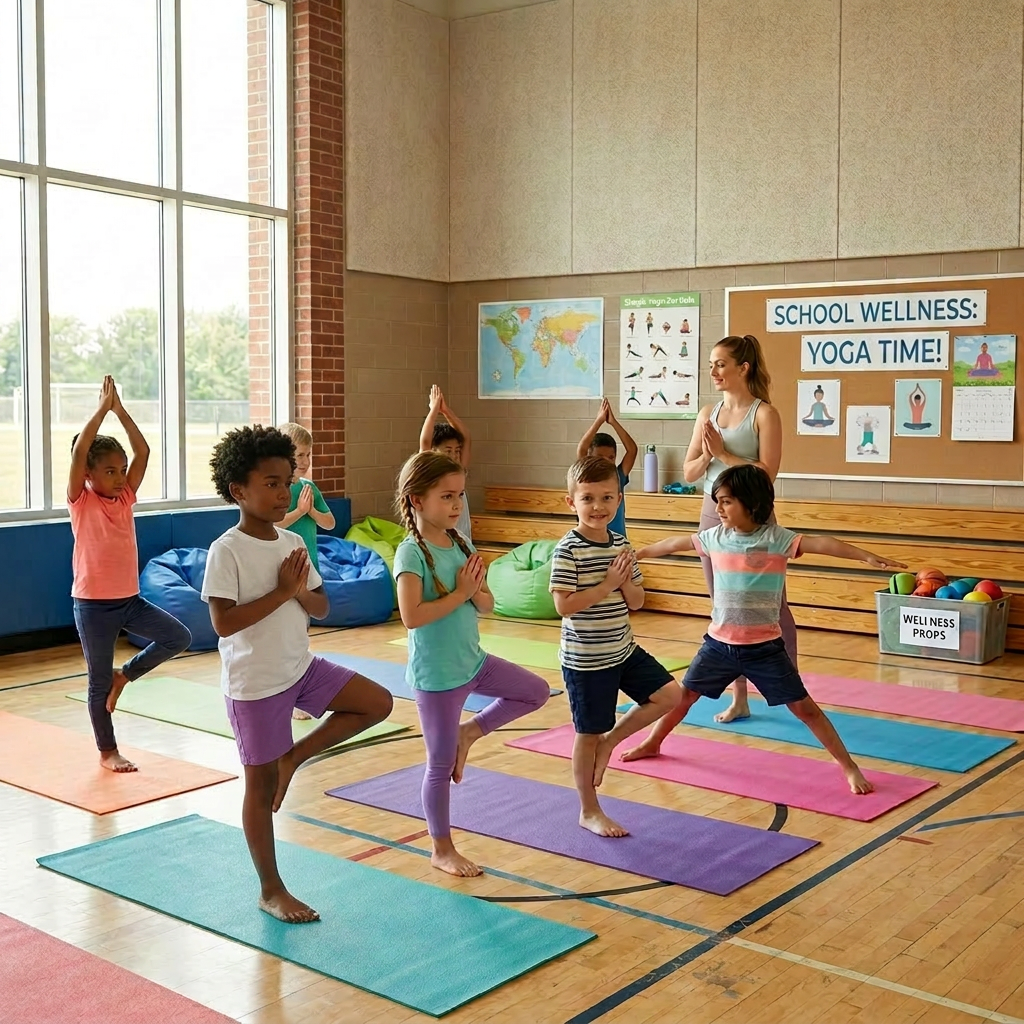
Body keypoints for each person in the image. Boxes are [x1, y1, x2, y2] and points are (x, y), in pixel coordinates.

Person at [203, 425, 393, 924]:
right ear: (238, 491)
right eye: (270, 482)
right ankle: (270, 888)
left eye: (286, 481)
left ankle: (295, 757)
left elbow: (322, 605)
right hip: (256, 684)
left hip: (300, 668)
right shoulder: (227, 549)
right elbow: (222, 622)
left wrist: (298, 590)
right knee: (258, 789)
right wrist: (283, 592)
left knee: (377, 703)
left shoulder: (291, 541)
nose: (283, 491)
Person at [622, 465, 904, 793]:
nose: (718, 509)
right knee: (683, 698)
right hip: (718, 645)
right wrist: (638, 552)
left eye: (726, 502)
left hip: (765, 648)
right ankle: (653, 742)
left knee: (806, 710)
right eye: (717, 501)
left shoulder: (776, 539)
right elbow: (673, 544)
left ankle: (849, 767)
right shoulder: (714, 538)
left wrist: (866, 556)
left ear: (751, 502)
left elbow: (824, 544)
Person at [394, 451, 548, 877]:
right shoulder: (412, 554)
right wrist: (462, 594)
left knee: (535, 692)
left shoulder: (460, 543)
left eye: (459, 495)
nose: (457, 505)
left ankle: (470, 731)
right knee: (439, 765)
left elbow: (488, 605)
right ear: (416, 501)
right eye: (446, 496)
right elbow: (411, 616)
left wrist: (477, 593)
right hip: (438, 677)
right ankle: (441, 848)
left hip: (473, 661)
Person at [550, 457, 681, 837]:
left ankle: (612, 742)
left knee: (669, 695)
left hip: (622, 650)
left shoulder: (621, 543)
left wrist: (624, 583)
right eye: (588, 498)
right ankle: (588, 809)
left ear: (619, 500)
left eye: (607, 497)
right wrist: (607, 585)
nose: (598, 507)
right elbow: (563, 606)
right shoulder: (568, 549)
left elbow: (637, 601)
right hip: (587, 660)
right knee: (586, 735)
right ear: (571, 502)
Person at [69, 376, 191, 773]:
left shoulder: (125, 497)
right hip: (93, 606)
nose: (120, 477)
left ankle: (128, 675)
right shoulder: (81, 500)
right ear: (89, 474)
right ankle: (108, 751)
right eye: (109, 471)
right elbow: (80, 453)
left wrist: (120, 411)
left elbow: (143, 449)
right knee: (96, 681)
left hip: (129, 600)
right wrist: (101, 411)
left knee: (179, 636)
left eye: (122, 470)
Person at [672, 334, 792, 723]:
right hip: (713, 514)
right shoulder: (708, 413)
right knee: (725, 609)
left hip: (755, 518)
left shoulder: (763, 414)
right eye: (711, 364)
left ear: (744, 368)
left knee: (775, 606)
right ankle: (739, 697)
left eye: (721, 363)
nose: (713, 371)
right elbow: (690, 473)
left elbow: (767, 474)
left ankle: (790, 688)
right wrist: (708, 452)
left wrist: (724, 453)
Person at [277, 422, 337, 722]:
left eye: (308, 455)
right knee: (286, 634)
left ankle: (299, 695)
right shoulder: (277, 489)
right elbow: (274, 525)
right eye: (299, 454)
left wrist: (311, 510)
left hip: (309, 570)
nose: (305, 461)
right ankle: (283, 694)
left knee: (302, 632)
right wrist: (299, 512)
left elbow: (329, 523)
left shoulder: (309, 488)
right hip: (284, 572)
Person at [577, 397, 638, 539]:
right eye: (599, 457)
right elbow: (582, 449)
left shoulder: (617, 476)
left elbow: (632, 450)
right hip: (590, 540)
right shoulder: (586, 474)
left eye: (611, 458)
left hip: (617, 540)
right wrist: (598, 420)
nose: (605, 462)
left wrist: (613, 422)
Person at [420, 385, 473, 540]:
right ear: (434, 450)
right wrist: (433, 410)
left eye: (457, 451)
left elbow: (466, 437)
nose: (454, 455)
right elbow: (425, 440)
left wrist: (446, 411)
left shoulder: (458, 470)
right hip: (436, 537)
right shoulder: (429, 471)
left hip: (461, 536)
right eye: (448, 450)